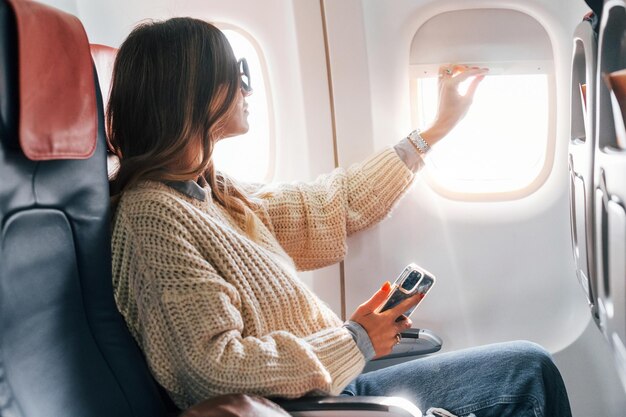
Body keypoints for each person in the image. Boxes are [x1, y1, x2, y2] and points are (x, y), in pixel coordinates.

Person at [107, 17, 572, 417]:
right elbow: (213, 375)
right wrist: (356, 340)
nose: (247, 87)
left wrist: (435, 129)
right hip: (311, 406)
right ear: (192, 93)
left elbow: (331, 204)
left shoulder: (212, 193)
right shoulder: (153, 218)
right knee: (528, 374)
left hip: (330, 387)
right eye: (235, 73)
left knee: (528, 367)